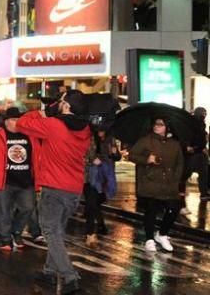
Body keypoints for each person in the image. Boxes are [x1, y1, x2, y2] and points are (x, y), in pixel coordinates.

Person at [16, 90, 91, 294]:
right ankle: (49, 272)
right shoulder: (85, 129)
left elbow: (21, 124)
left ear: (66, 106)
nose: (57, 103)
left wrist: (41, 113)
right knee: (57, 231)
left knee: (50, 231)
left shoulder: (53, 125)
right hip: (74, 189)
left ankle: (69, 276)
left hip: (54, 188)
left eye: (61, 101)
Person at [0, 107, 35, 251]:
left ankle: (16, 232)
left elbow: (38, 156)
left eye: (18, 119)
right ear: (6, 122)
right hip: (4, 181)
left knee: (28, 208)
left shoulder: (30, 135)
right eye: (13, 119)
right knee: (3, 210)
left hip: (26, 181)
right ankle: (5, 238)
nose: (16, 122)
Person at [129, 117, 184, 253]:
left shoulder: (175, 144)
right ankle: (149, 239)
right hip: (150, 181)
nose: (156, 127)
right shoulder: (146, 140)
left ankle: (162, 234)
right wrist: (147, 159)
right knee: (151, 210)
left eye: (160, 125)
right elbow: (132, 155)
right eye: (155, 124)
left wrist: (175, 178)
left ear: (167, 127)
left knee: (174, 208)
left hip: (169, 183)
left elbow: (180, 163)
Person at [83, 127, 119, 247]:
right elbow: (81, 155)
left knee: (97, 202)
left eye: (103, 128)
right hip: (90, 177)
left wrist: (115, 153)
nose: (101, 131)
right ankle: (90, 233)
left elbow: (116, 157)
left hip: (105, 177)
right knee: (91, 203)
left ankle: (99, 225)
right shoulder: (89, 139)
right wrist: (91, 160)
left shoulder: (110, 140)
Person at [181, 106, 209, 211]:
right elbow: (188, 136)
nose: (204, 115)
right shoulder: (192, 124)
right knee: (186, 174)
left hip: (199, 152)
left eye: (205, 113)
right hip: (193, 153)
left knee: (203, 175)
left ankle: (203, 193)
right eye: (203, 113)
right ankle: (180, 193)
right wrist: (188, 147)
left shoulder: (200, 124)